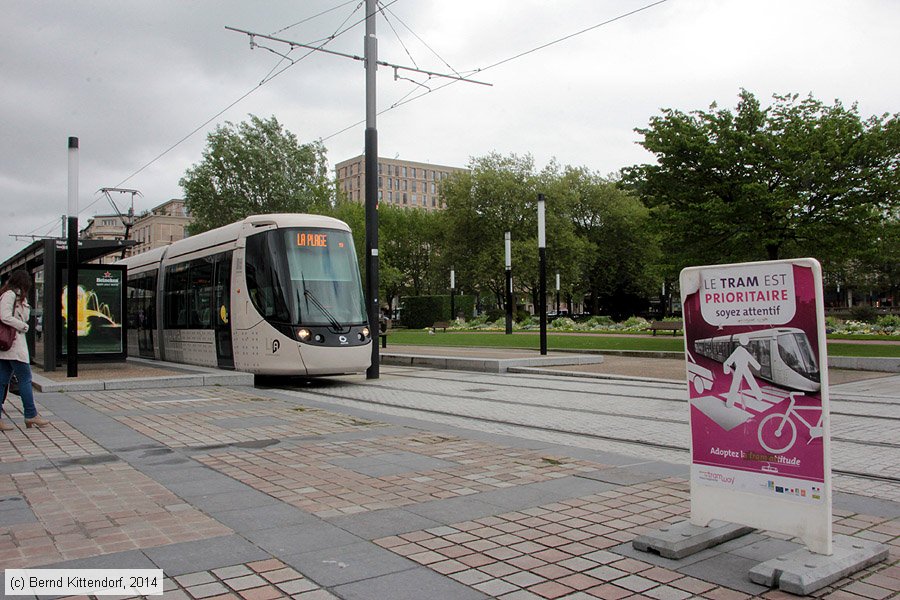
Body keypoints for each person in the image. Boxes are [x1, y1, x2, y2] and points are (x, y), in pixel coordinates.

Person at [0, 270, 49, 430]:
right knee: (25, 379)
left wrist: (23, 302)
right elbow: (4, 316)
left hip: (9, 347)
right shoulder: (10, 295)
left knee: (2, 381)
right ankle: (30, 414)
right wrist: (23, 326)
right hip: (13, 345)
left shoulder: (17, 297)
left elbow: (25, 315)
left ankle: (28, 415)